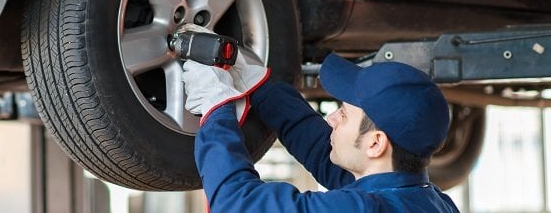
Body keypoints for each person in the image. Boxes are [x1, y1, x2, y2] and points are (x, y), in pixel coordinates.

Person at [182, 52, 459, 212]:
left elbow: (237, 205)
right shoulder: (432, 202)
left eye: (344, 114)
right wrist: (261, 88)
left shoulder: (363, 208)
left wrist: (215, 108)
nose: (331, 118)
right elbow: (324, 155)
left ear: (376, 144)